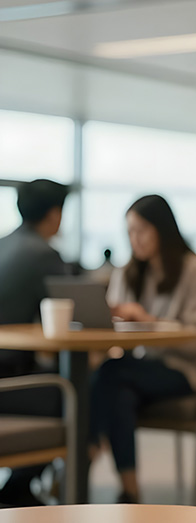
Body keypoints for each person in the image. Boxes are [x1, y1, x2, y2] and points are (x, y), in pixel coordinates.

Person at [90, 195, 196, 504]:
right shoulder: (127, 273)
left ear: (163, 229)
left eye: (142, 230)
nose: (135, 239)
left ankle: (89, 447)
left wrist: (147, 321)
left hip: (188, 369)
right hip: (138, 369)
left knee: (111, 373)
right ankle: (131, 491)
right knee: (118, 393)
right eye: (130, 232)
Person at [0, 179, 70, 506]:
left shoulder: (3, 244)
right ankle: (20, 490)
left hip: (10, 374)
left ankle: (20, 489)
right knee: (81, 395)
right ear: (55, 214)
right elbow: (75, 314)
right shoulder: (43, 254)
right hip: (8, 384)